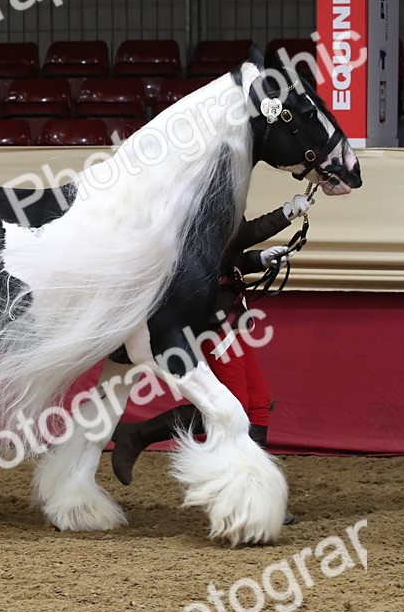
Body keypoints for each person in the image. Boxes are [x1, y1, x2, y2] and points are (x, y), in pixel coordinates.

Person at [109, 192, 315, 522]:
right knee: (230, 407)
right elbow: (236, 238)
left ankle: (254, 487)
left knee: (258, 400)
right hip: (211, 324)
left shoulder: (218, 204)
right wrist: (286, 214)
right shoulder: (195, 208)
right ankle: (241, 491)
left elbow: (231, 253)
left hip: (232, 317)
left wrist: (260, 259)